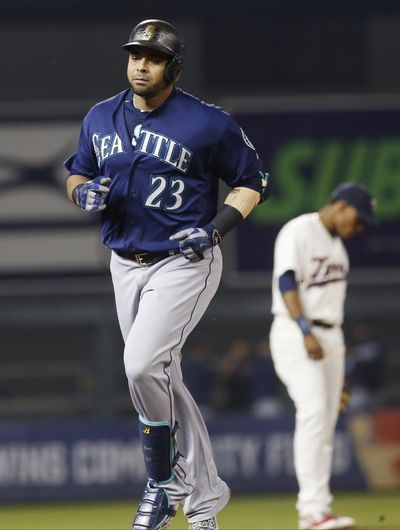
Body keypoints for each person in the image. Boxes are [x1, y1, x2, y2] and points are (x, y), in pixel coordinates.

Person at [64, 19, 270, 530]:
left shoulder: (207, 122)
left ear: (173, 68)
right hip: (124, 264)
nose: (140, 64)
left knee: (140, 368)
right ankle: (204, 505)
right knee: (163, 377)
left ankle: (164, 483)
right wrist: (80, 192)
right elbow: (78, 171)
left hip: (184, 260)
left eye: (153, 58)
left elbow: (253, 181)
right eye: (135, 54)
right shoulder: (100, 116)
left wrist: (217, 229)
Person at [269, 182, 377, 530]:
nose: (357, 227)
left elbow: (333, 310)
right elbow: (286, 281)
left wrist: (340, 371)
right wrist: (303, 329)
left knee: (327, 421)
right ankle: (312, 512)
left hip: (330, 335)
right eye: (357, 219)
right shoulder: (300, 230)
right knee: (314, 412)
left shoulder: (337, 248)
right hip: (296, 331)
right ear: (342, 205)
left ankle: (320, 508)